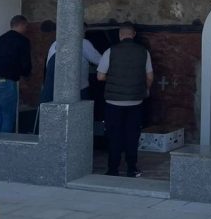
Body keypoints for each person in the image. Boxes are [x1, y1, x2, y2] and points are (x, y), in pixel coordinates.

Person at [96, 24, 153, 177]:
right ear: (133, 34)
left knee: (114, 136)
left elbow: (100, 76)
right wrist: (146, 90)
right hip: (135, 101)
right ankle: (132, 168)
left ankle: (113, 169)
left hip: (113, 103)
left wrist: (115, 78)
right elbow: (149, 77)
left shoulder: (110, 51)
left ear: (120, 35)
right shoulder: (144, 52)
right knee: (132, 136)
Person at [0, 15, 32, 133]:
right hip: (5, 82)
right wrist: (26, 76)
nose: (26, 29)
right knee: (8, 116)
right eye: (26, 26)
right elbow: (25, 63)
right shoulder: (22, 41)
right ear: (22, 24)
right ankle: (5, 143)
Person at [42, 21, 102, 101]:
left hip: (54, 89)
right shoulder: (83, 43)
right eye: (84, 31)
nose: (84, 34)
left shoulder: (54, 44)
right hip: (78, 90)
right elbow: (100, 61)